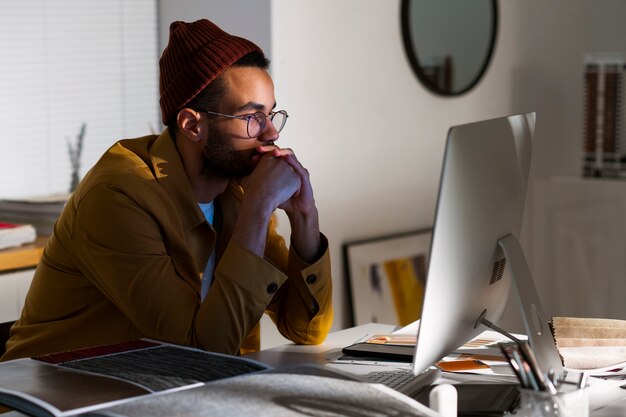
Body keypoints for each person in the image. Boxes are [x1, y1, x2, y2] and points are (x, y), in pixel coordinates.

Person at [1, 19, 333, 361]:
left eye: (271, 114)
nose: (271, 134)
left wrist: (305, 217)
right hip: (50, 399)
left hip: (152, 393)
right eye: (252, 116)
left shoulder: (237, 192)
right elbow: (196, 354)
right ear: (192, 125)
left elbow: (306, 329)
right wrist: (259, 210)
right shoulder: (118, 197)